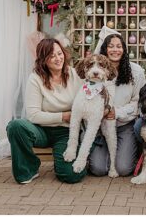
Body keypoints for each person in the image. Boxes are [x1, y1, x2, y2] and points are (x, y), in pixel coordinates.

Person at [7, 38, 86, 184]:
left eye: (59, 53)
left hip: (66, 132)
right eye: (51, 56)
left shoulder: (74, 75)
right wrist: (63, 116)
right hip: (40, 130)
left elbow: (88, 98)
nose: (58, 59)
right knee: (15, 126)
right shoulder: (35, 78)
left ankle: (74, 160)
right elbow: (34, 115)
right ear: (43, 60)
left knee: (71, 175)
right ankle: (28, 168)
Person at [88, 33, 146, 177]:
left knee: (123, 169)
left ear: (124, 49)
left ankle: (129, 151)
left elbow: (139, 102)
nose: (115, 50)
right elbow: (88, 96)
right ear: (105, 49)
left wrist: (117, 112)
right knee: (98, 169)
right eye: (111, 46)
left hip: (124, 126)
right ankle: (104, 152)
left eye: (119, 46)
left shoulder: (136, 72)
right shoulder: (96, 71)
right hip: (101, 127)